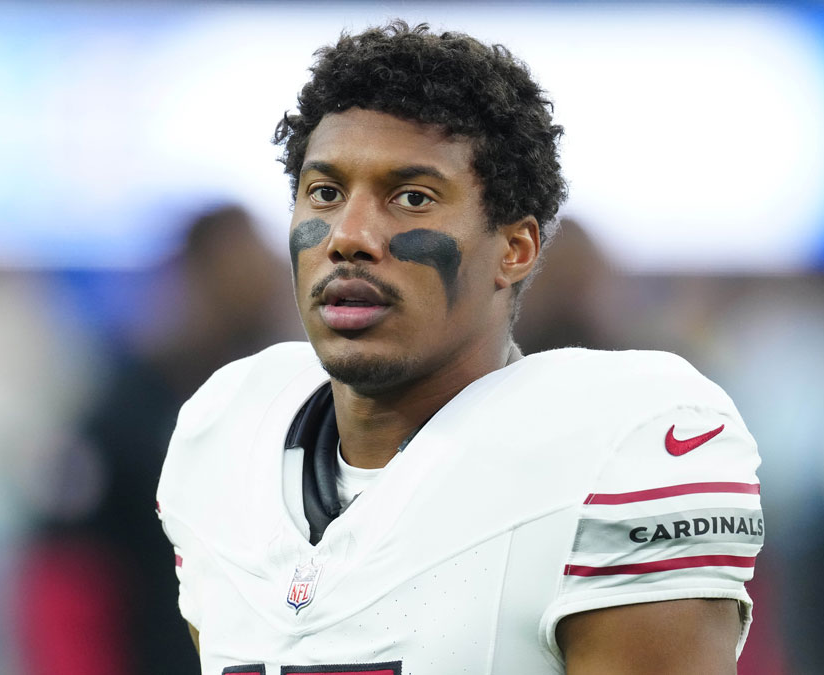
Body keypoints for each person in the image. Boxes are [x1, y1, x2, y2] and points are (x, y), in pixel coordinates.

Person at [156, 22, 763, 674]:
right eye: (325, 193)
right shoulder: (222, 431)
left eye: (411, 197)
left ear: (515, 248)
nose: (349, 235)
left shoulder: (617, 448)